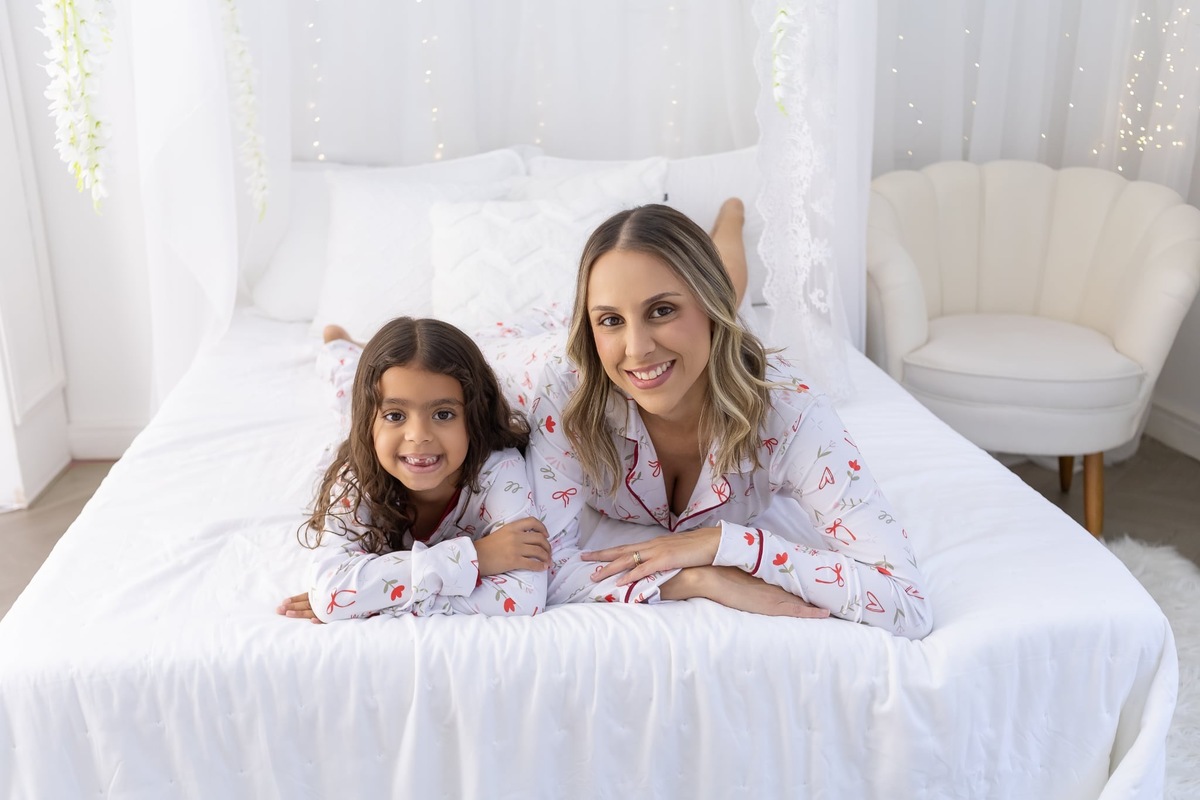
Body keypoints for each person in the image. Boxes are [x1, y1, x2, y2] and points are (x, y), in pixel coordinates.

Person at [527, 202, 933, 639]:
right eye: (610, 320)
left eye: (662, 310)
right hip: (532, 338)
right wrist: (700, 577)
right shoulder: (563, 393)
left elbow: (905, 602)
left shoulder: (790, 412)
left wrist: (726, 544)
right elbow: (537, 572)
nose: (637, 347)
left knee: (730, 289)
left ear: (706, 306)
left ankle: (730, 218)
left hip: (721, 326)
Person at [276, 317, 551, 623]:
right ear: (371, 422)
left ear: (473, 419)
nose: (418, 435)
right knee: (345, 387)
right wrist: (476, 557)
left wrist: (370, 600)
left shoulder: (500, 469)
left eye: (443, 413)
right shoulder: (356, 476)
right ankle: (338, 343)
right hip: (361, 434)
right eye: (395, 415)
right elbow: (330, 594)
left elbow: (525, 596)